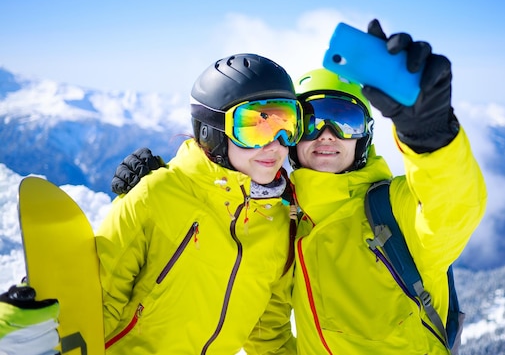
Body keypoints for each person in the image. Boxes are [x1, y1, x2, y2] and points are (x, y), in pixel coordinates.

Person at [112, 19, 488, 354]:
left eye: (344, 119)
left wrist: (430, 136)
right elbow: (269, 330)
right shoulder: (285, 221)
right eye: (309, 122)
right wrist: (174, 186)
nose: (327, 135)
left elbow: (452, 208)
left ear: (366, 137)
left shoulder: (394, 210)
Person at [1, 53, 301, 355]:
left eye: (285, 123)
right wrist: (43, 335)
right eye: (255, 127)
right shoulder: (155, 195)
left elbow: (268, 334)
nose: (275, 143)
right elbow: (97, 305)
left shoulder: (277, 222)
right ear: (213, 131)